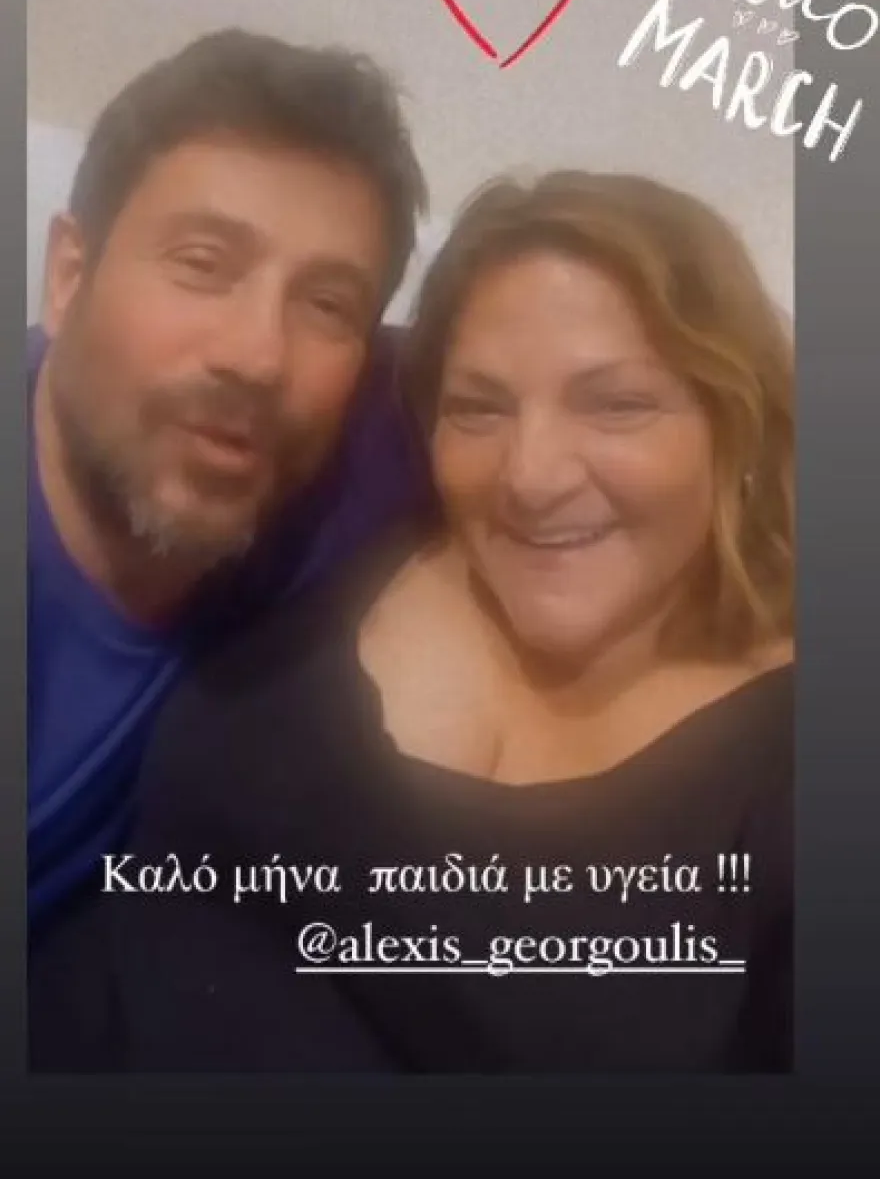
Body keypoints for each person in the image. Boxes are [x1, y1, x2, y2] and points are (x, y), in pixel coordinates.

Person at [30, 171, 793, 1073]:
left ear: (735, 420)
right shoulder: (373, 507)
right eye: (478, 407)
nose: (530, 476)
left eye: (618, 404)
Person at [28, 28, 434, 943]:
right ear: (69, 276)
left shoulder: (358, 453)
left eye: (327, 304)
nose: (258, 356)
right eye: (202, 265)